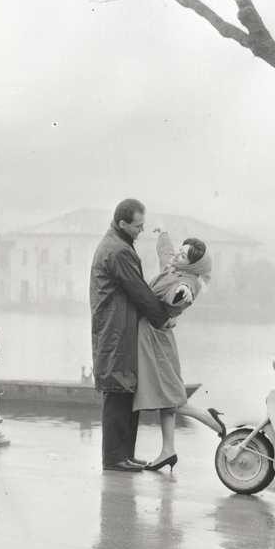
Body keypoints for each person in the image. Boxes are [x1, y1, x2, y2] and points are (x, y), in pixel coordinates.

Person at [133, 227, 226, 472]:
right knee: (167, 398)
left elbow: (182, 294)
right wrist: (163, 234)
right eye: (181, 251)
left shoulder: (188, 281)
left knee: (169, 397)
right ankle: (168, 450)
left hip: (157, 341)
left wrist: (181, 294)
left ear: (193, 266)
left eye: (184, 256)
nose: (177, 256)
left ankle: (209, 419)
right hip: (152, 337)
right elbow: (166, 253)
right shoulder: (173, 268)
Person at [90, 199, 172, 472]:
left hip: (118, 328)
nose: (141, 231)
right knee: (117, 391)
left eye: (143, 225)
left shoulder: (117, 243)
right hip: (116, 330)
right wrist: (163, 317)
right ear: (123, 223)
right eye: (138, 226)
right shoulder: (119, 251)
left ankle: (125, 454)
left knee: (126, 389)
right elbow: (138, 290)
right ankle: (114, 458)